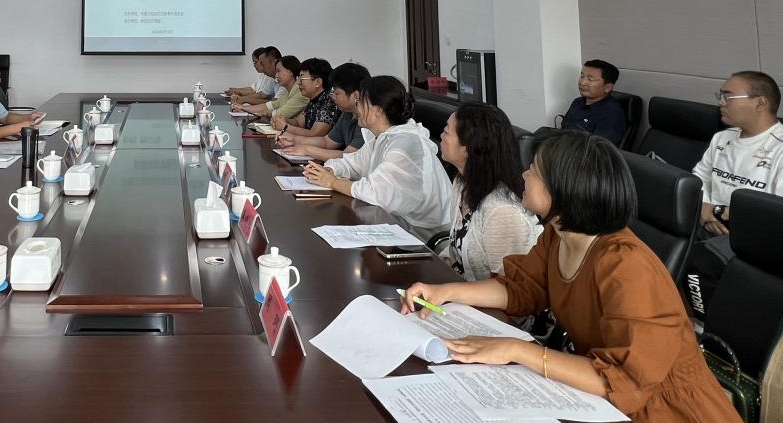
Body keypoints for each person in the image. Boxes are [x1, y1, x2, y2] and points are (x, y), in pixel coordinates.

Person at [401, 131, 742, 423]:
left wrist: (516, 350)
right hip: (603, 395)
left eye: (534, 171)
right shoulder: (558, 234)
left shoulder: (627, 266)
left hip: (664, 409)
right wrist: (445, 291)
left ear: (565, 189)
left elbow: (622, 380)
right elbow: (522, 288)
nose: (524, 175)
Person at [686, 70, 783, 320]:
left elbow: (773, 213)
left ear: (760, 102)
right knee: (650, 236)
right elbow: (698, 178)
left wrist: (716, 212)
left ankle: (703, 326)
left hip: (755, 234)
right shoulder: (722, 137)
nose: (721, 102)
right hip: (707, 217)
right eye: (720, 95)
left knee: (700, 261)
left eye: (728, 96)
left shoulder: (779, 148)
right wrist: (704, 209)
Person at [303, 76, 453, 236]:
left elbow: (376, 193)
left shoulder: (406, 143)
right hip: (395, 223)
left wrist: (333, 182)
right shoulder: (381, 137)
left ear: (378, 110)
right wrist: (329, 171)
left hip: (424, 234)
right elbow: (352, 164)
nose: (357, 107)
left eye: (361, 102)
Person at [437, 102, 542, 279]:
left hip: (486, 297)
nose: (441, 135)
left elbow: (510, 285)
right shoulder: (462, 183)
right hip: (458, 290)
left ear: (468, 148)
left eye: (447, 131)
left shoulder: (501, 211)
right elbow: (457, 252)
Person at [278, 62, 370, 161]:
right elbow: (327, 142)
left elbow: (349, 156)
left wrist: (307, 149)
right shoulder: (347, 113)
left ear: (355, 96)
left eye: (337, 93)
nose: (333, 97)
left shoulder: (367, 119)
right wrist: (294, 140)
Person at [560, 59, 626, 145]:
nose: (583, 82)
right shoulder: (577, 102)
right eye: (582, 76)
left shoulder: (612, 113)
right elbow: (563, 130)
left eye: (590, 79)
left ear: (608, 87)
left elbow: (598, 149)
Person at [271, 57, 339, 138]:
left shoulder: (329, 101)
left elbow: (314, 134)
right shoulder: (314, 100)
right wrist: (282, 120)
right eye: (298, 78)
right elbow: (298, 123)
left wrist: (285, 127)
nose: (298, 83)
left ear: (318, 82)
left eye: (302, 78)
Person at [235, 55, 308, 120]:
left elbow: (281, 114)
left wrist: (265, 113)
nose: (276, 75)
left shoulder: (300, 92)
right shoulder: (287, 90)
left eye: (279, 71)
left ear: (290, 72)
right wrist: (243, 108)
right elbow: (270, 105)